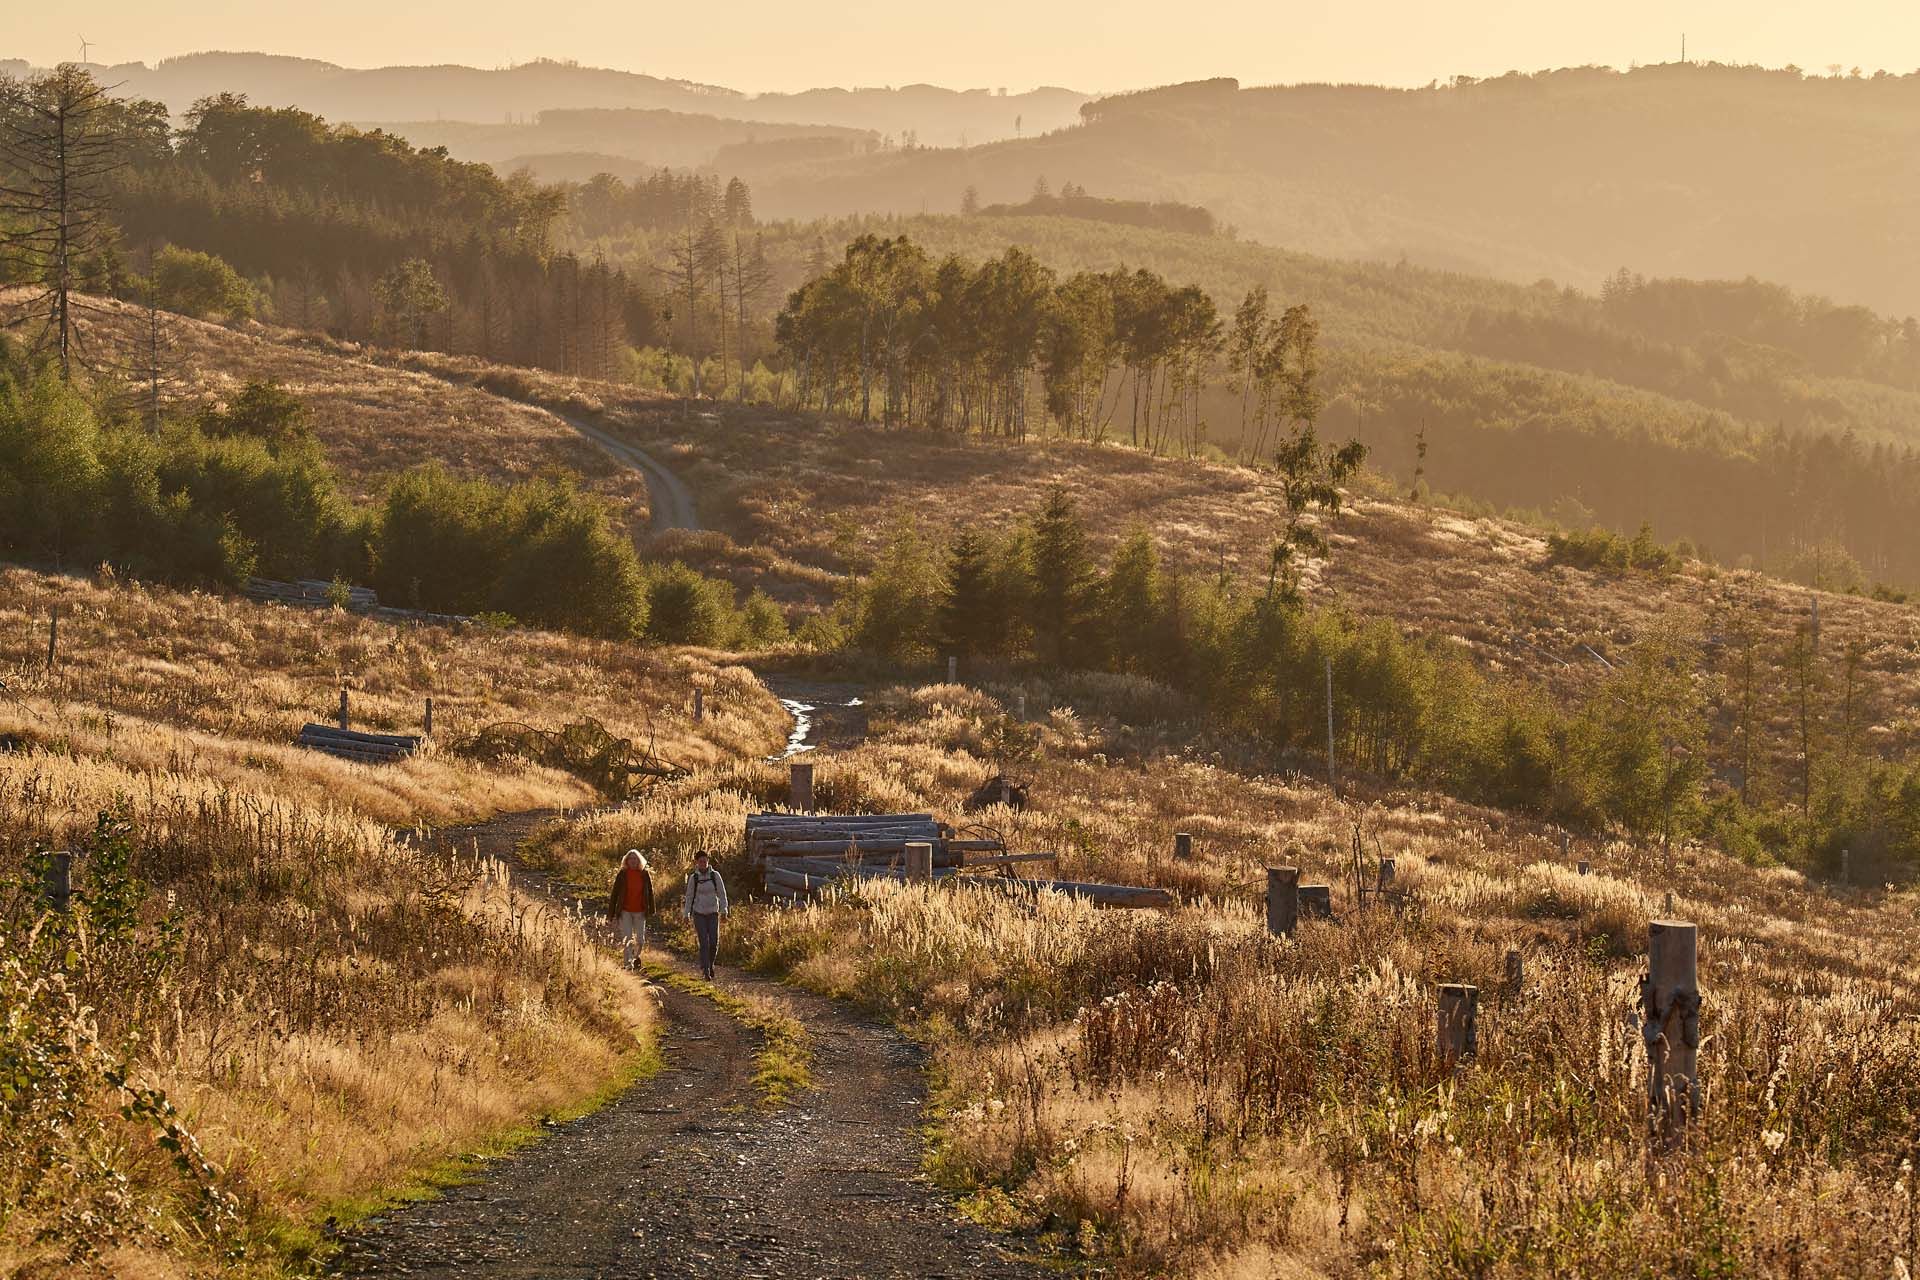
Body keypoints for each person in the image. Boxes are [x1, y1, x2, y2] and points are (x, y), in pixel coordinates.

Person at [682, 850, 728, 981]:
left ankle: (710, 964)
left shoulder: (715, 876)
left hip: (713, 912)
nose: (703, 863)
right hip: (699, 913)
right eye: (700, 861)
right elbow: (689, 897)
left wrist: (724, 911)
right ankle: (706, 969)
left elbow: (722, 894)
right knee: (703, 942)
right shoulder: (694, 878)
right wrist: (686, 914)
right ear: (696, 862)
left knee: (714, 942)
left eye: (705, 861)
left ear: (708, 861)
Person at [607, 849, 654, 969]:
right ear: (626, 861)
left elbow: (650, 892)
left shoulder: (644, 874)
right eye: (630, 858)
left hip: (640, 911)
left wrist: (651, 909)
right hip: (625, 911)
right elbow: (615, 894)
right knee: (627, 938)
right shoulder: (622, 874)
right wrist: (611, 914)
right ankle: (627, 964)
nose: (633, 861)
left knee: (640, 940)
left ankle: (635, 956)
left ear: (639, 860)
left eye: (635, 858)